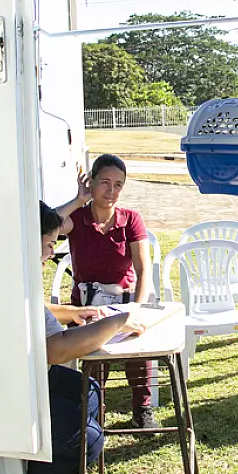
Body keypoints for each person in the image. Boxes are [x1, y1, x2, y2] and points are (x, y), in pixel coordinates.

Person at [34, 200, 146, 474]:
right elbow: (57, 350)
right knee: (89, 439)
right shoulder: (14, 278)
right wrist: (116, 322)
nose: (51, 253)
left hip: (33, 374)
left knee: (90, 392)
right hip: (16, 387)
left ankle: (39, 458)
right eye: (48, 245)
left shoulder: (18, 271)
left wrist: (72, 312)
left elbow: (38, 310)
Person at [53, 154, 158, 429]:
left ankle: (142, 409)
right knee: (95, 355)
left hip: (123, 301)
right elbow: (46, 224)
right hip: (87, 307)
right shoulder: (78, 218)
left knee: (138, 346)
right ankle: (94, 410)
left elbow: (143, 269)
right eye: (105, 182)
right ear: (92, 181)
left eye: (118, 185)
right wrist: (79, 200)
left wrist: (135, 308)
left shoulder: (130, 220)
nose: (111, 191)